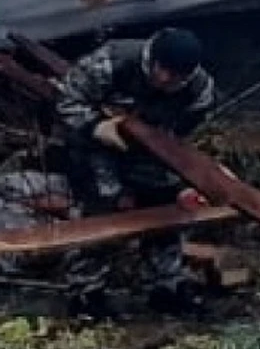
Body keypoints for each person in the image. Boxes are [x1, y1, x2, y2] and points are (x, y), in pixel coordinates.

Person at [55, 28, 217, 318]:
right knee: (101, 211)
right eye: (161, 69)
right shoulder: (110, 62)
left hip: (152, 150)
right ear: (152, 59)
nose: (165, 79)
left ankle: (166, 287)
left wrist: (172, 153)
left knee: (167, 212)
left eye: (175, 75)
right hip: (97, 145)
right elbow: (67, 100)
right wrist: (95, 126)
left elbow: (187, 129)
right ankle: (86, 293)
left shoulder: (199, 90)